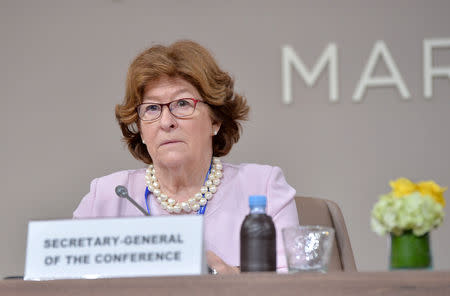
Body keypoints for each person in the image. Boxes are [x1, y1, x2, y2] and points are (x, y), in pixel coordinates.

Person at [73, 40, 299, 274]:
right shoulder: (106, 197)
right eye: (151, 108)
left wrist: (235, 278)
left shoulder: (263, 188)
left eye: (182, 104)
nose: (166, 121)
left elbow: (296, 286)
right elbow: (57, 282)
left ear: (215, 120)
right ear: (140, 129)